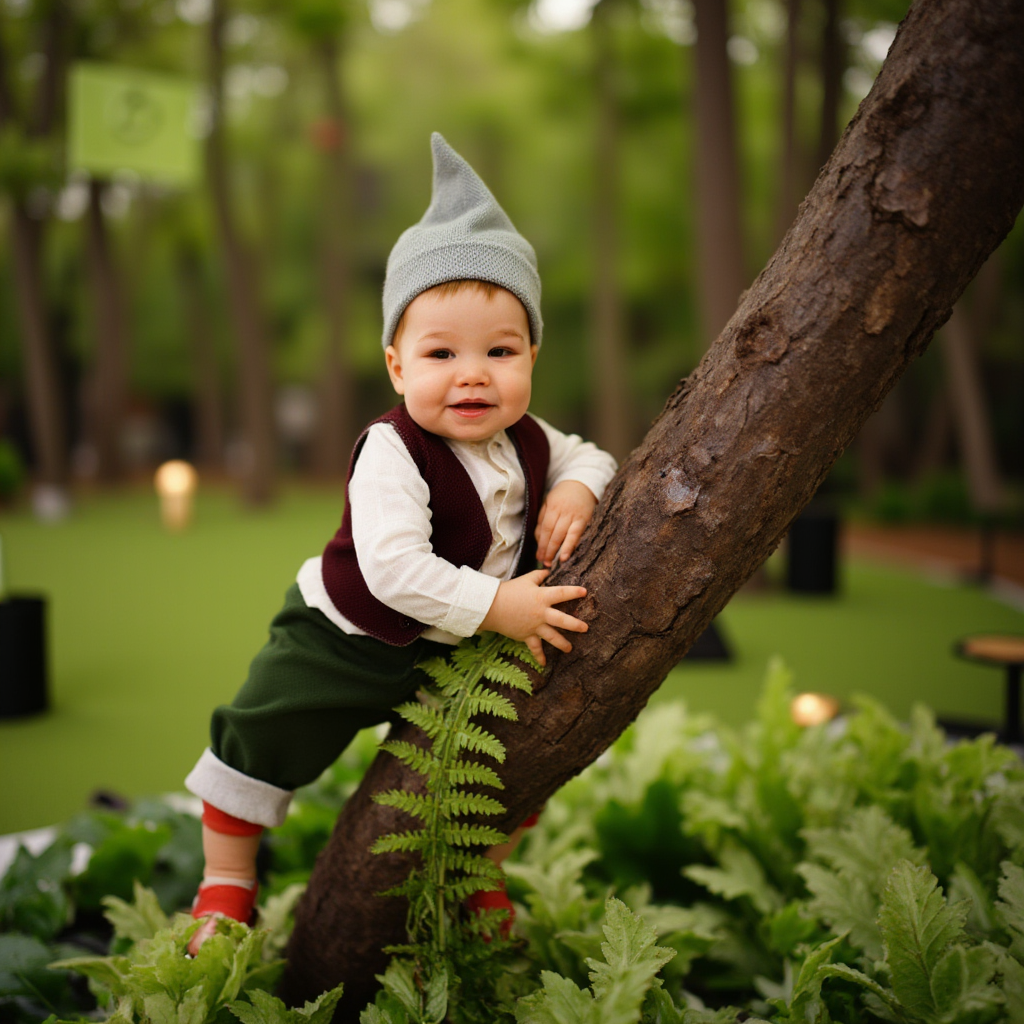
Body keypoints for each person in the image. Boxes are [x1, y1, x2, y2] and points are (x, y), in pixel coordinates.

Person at [183, 133, 617, 947]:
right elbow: (390, 569)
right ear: (395, 365)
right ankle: (226, 879)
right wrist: (497, 603)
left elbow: (592, 452)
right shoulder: (393, 449)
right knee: (261, 731)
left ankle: (477, 866)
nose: (472, 374)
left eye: (500, 351)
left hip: (457, 647)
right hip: (352, 636)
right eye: (441, 353)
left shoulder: (528, 436)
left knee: (507, 751)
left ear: (532, 355)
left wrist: (575, 485)